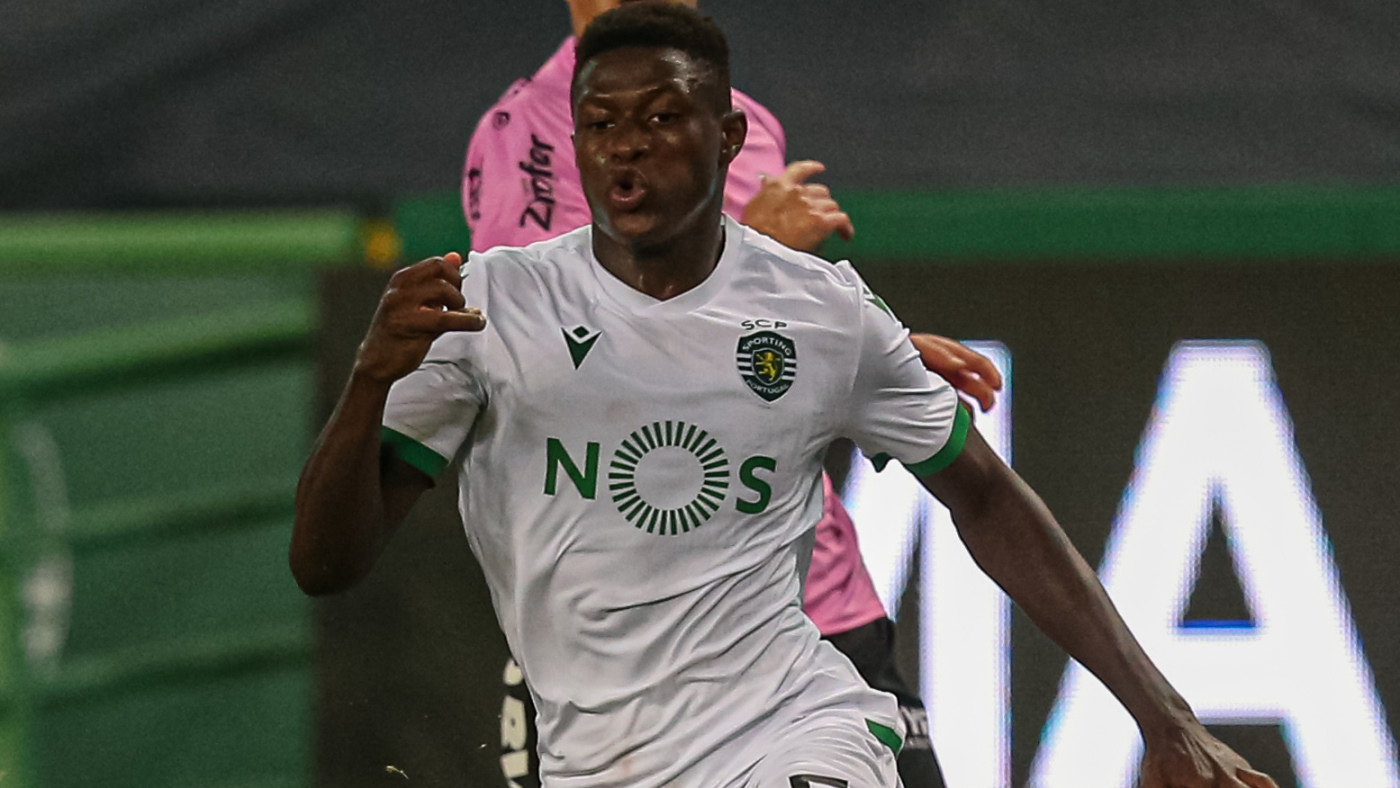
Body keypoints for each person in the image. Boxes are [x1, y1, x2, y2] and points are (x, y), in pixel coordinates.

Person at [291, 5, 1279, 787]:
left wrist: (1162, 715)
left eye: (659, 120)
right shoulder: (491, 303)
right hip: (598, 754)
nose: (625, 147)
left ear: (727, 137)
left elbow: (985, 495)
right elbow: (324, 563)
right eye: (601, 126)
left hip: (794, 725)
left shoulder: (823, 311)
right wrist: (370, 382)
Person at [461, 2, 993, 784]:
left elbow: (764, 334)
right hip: (636, 644)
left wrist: (878, 355)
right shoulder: (528, 139)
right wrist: (764, 241)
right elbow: (556, 375)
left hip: (811, 607)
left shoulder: (745, 121)